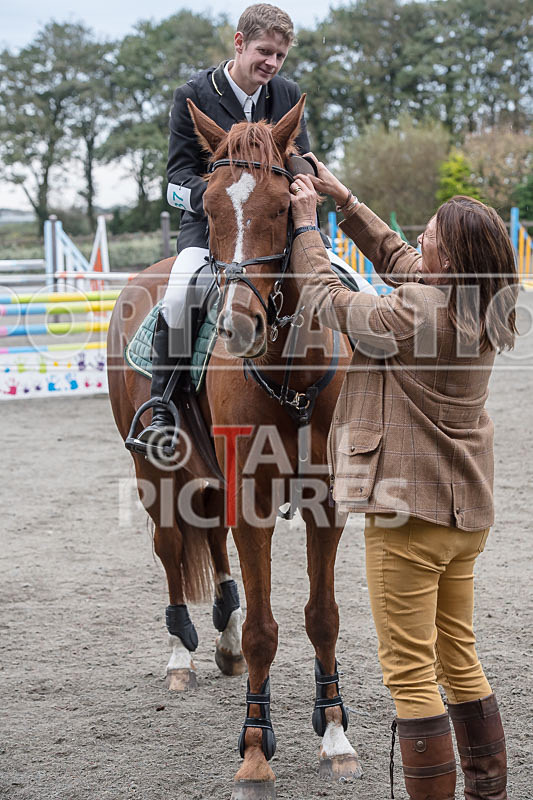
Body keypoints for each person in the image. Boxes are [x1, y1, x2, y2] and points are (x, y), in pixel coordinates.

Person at [287, 157, 517, 800]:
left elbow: (323, 299)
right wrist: (346, 200)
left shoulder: (414, 311)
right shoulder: (490, 304)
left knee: (410, 673)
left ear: (452, 257)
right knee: (458, 657)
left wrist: (308, 225)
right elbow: (403, 262)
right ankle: (487, 792)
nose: (420, 238)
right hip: (463, 514)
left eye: (433, 235)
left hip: (405, 514)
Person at [139, 3, 309, 448]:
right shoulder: (193, 93)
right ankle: (162, 408)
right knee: (179, 294)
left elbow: (301, 160)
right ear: (239, 43)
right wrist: (218, 198)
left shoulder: (287, 94)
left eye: (280, 56)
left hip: (275, 227)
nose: (271, 63)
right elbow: (175, 180)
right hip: (213, 226)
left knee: (340, 281)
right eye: (264, 51)